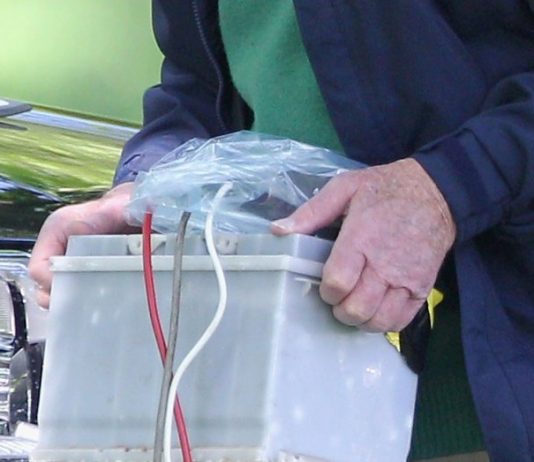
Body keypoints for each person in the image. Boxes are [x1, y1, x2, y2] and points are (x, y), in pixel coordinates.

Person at [29, 1, 534, 460]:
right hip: (263, 407)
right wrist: (148, 188)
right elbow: (198, 81)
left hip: (486, 404)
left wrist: (443, 190)